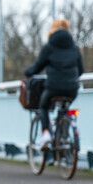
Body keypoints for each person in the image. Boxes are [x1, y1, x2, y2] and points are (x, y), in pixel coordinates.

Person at [24, 19, 84, 149]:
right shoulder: (75, 48)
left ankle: (46, 135)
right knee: (65, 110)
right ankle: (64, 136)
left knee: (44, 106)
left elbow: (37, 67)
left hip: (53, 87)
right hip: (72, 88)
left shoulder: (49, 47)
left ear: (53, 30)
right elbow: (81, 70)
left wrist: (28, 73)